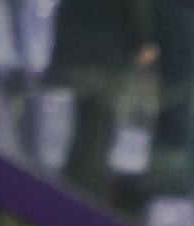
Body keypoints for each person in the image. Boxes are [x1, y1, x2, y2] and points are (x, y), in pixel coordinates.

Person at [53, 0, 155, 209]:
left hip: (74, 52)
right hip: (102, 63)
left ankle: (70, 199)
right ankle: (76, 204)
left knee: (85, 140)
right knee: (93, 141)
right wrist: (144, 42)